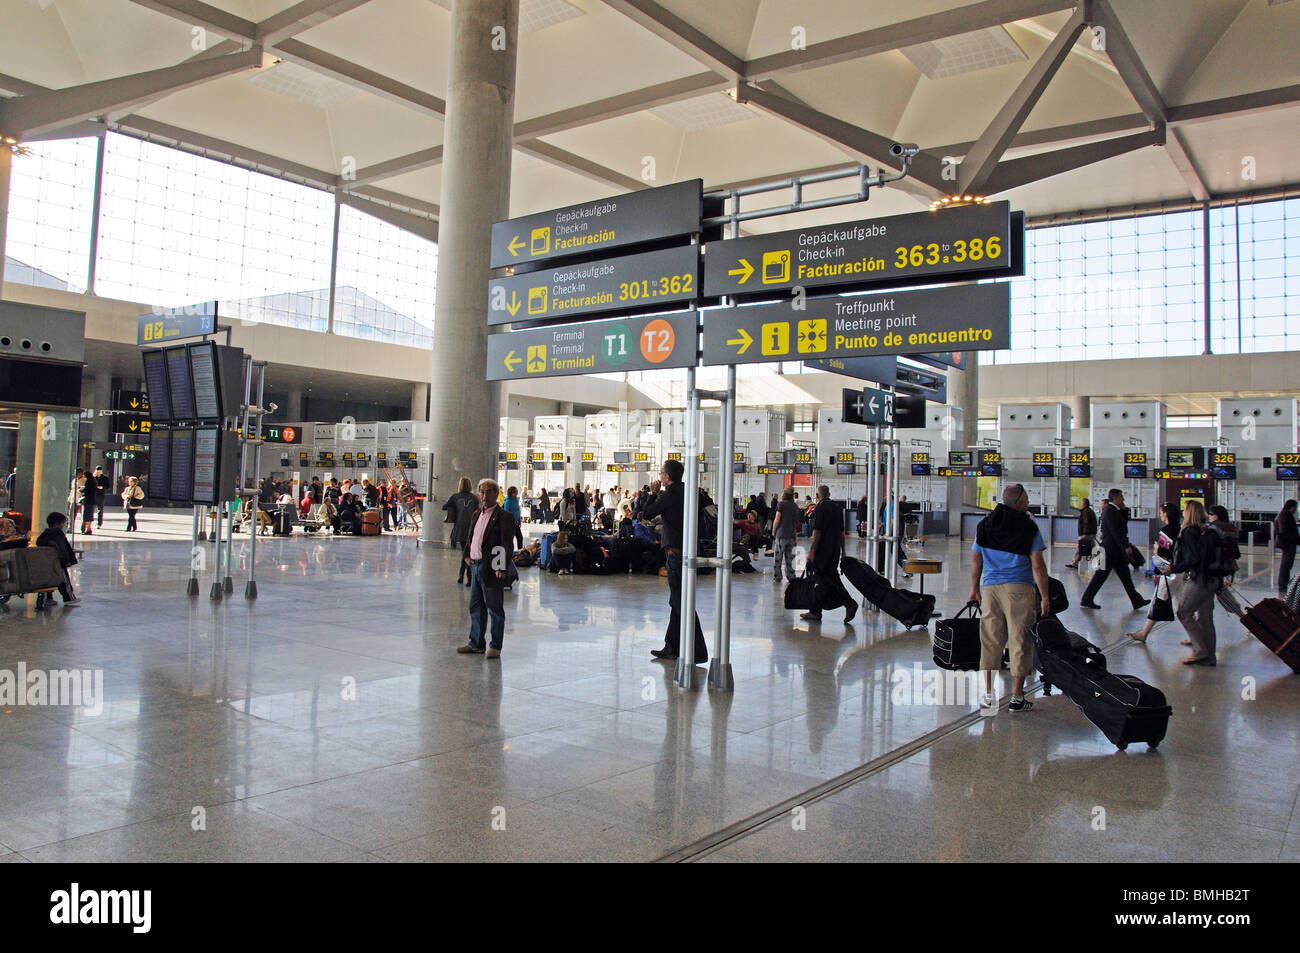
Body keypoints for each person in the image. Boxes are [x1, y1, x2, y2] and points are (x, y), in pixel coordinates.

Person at [970, 484, 1052, 712]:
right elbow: (1038, 565)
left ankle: (988, 694)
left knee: (990, 640)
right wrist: (1045, 596)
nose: (1028, 502)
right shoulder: (1028, 527)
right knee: (1020, 640)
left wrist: (974, 589)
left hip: (990, 589)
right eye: (1025, 499)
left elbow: (977, 560)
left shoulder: (985, 525)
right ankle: (1017, 696)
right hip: (1019, 589)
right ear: (1018, 503)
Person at [641, 460, 709, 663]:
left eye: (661, 473)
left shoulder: (669, 494)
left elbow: (646, 513)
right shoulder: (689, 491)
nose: (659, 477)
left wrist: (652, 493)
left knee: (682, 604)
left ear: (667, 477)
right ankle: (671, 647)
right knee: (676, 602)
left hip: (676, 554)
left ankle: (697, 651)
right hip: (687, 551)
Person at [456, 478, 516, 658]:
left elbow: (505, 544)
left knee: (494, 608)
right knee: (476, 607)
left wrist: (501, 567)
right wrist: (466, 555)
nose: (484, 495)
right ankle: (476, 643)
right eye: (481, 491)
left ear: (496, 494)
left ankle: (495, 646)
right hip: (475, 567)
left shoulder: (504, 516)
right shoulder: (477, 514)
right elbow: (471, 537)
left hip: (491, 568)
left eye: (489, 491)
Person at [1161, 500, 1218, 666]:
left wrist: (1174, 568)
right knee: (1206, 617)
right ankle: (1210, 656)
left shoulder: (1189, 532)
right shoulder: (1207, 529)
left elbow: (1192, 558)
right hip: (1213, 578)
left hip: (1199, 578)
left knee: (1183, 612)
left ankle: (1200, 652)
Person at [1079, 488, 1150, 612]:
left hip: (1115, 551)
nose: (1123, 499)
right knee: (1101, 576)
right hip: (1110, 550)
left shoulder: (1114, 510)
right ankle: (1087, 598)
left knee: (1125, 577)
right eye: (1121, 497)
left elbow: (1122, 525)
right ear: (1115, 498)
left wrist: (1124, 509)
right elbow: (1116, 531)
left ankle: (1136, 600)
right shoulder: (1110, 511)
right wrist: (1125, 546)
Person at [1126, 501, 1184, 643]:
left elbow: (1164, 553)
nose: (1161, 515)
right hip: (1180, 571)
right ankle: (1196, 634)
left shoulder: (1166, 531)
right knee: (1181, 606)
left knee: (1158, 600)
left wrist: (1158, 548)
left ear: (1167, 514)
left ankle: (1144, 633)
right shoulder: (1181, 529)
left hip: (1169, 572)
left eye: (1162, 512)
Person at [800, 485, 857, 624]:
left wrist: (812, 552)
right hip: (834, 550)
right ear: (829, 494)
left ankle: (849, 603)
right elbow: (841, 532)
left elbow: (817, 532)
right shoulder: (837, 508)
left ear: (817, 496)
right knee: (821, 578)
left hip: (822, 551)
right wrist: (843, 551)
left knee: (826, 578)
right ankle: (815, 611)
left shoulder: (820, 508)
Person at [35, 512, 80, 608]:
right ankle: (69, 598)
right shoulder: (58, 534)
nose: (63, 525)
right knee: (64, 581)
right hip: (59, 562)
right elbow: (62, 549)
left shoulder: (45, 534)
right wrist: (67, 560)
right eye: (63, 523)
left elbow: (38, 543)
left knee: (48, 581)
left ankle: (48, 598)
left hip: (47, 562)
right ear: (57, 523)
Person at [444, 477, 478, 585]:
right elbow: (477, 512)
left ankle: (462, 576)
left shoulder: (455, 497)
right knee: (467, 552)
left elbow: (445, 506)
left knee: (465, 552)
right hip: (471, 528)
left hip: (460, 528)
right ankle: (467, 577)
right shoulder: (474, 498)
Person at [771, 487, 800, 584]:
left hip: (781, 534)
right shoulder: (795, 506)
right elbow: (797, 521)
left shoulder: (781, 504)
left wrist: (773, 529)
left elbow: (777, 518)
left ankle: (777, 577)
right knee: (790, 558)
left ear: (784, 494)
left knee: (778, 558)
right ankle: (791, 576)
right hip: (792, 535)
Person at [1064, 498, 1097, 569]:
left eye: (1081, 503)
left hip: (1086, 534)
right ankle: (1075, 563)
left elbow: (1086, 523)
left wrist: (1084, 534)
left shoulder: (1086, 512)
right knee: (1084, 548)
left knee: (1084, 548)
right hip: (1090, 533)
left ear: (1084, 504)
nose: (1080, 504)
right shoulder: (1089, 511)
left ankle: (1099, 562)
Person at [1275, 499, 1299, 595]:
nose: (1296, 509)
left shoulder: (1287, 515)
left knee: (1287, 565)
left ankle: (1284, 584)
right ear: (1290, 507)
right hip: (1287, 544)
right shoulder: (1284, 516)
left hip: (1289, 543)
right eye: (1295, 507)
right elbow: (1283, 532)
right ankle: (1282, 585)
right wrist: (1293, 540)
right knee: (1286, 565)